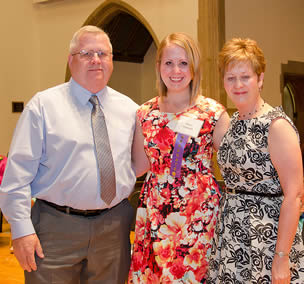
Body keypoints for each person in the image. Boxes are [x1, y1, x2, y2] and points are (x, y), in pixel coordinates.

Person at [0, 25, 138, 284]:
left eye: (103, 53)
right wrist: (20, 230)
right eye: (86, 53)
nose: (96, 60)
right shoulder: (43, 106)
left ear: (112, 60)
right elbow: (17, 175)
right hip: (54, 229)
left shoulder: (130, 110)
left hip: (113, 229)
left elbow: (137, 162)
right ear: (70, 60)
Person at [128, 32, 230, 283]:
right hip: (155, 214)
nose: (176, 70)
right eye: (169, 63)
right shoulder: (145, 113)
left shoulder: (213, 113)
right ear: (159, 66)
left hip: (199, 216)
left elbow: (233, 168)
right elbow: (139, 167)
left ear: (194, 67)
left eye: (183, 63)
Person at [207, 38, 304, 283]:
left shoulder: (276, 125)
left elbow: (295, 195)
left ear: (260, 79)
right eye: (231, 78)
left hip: (266, 238)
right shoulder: (233, 123)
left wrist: (281, 257)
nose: (238, 85)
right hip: (231, 235)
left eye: (245, 77)